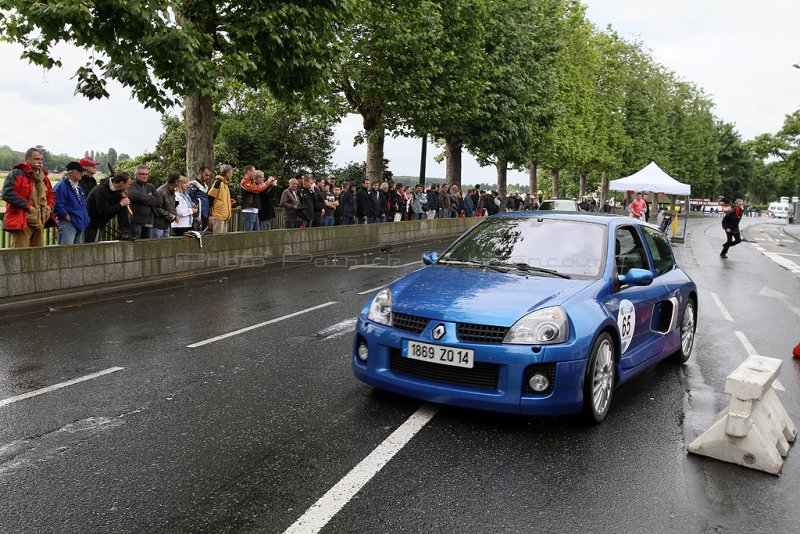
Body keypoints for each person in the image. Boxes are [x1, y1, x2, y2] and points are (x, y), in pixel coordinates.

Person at [1, 147, 56, 248]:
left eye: (41, 159)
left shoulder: (44, 177)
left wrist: (49, 207)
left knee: (37, 254)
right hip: (21, 220)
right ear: (27, 159)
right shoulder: (17, 173)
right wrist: (28, 206)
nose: (39, 161)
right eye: (36, 159)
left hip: (40, 220)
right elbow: (7, 193)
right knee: (19, 253)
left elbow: (51, 194)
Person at [85, 172, 133, 242]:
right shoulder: (100, 190)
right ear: (121, 183)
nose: (129, 186)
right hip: (91, 222)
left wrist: (122, 199)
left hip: (101, 220)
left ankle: (125, 232)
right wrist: (120, 204)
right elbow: (104, 211)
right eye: (128, 184)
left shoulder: (118, 190)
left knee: (123, 205)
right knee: (89, 245)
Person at [53, 161, 90, 244]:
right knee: (66, 251)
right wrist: (66, 217)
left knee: (77, 252)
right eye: (80, 171)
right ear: (71, 173)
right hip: (68, 224)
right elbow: (57, 205)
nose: (82, 174)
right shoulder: (61, 186)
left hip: (79, 222)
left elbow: (82, 204)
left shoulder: (78, 186)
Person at [126, 165, 161, 239]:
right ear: (136, 175)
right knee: (136, 246)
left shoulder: (151, 186)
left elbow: (158, 201)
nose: (144, 176)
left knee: (147, 246)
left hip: (149, 221)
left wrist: (143, 200)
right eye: (142, 174)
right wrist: (150, 197)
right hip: (136, 222)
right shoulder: (131, 185)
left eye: (146, 174)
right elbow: (135, 196)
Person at [240, 166, 269, 231]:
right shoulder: (245, 182)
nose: (254, 174)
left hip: (254, 210)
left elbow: (259, 186)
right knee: (248, 233)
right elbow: (257, 189)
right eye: (253, 172)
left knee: (256, 234)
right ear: (248, 172)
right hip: (249, 210)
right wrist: (267, 183)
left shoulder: (251, 182)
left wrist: (268, 184)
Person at [152, 172, 180, 238]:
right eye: (180, 181)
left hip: (166, 224)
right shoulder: (161, 191)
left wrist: (175, 215)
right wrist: (171, 216)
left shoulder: (172, 191)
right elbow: (157, 208)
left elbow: (172, 205)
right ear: (176, 182)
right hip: (158, 225)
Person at [208, 165, 235, 234]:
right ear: (227, 173)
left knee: (223, 239)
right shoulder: (218, 182)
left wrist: (228, 202)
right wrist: (210, 214)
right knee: (218, 238)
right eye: (231, 173)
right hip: (218, 216)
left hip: (224, 216)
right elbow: (210, 197)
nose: (232, 175)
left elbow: (220, 198)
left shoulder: (225, 184)